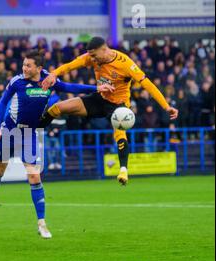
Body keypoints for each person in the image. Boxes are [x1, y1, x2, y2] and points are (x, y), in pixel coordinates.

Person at [0, 51, 110, 239]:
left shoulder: (48, 80)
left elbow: (70, 87)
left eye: (28, 65)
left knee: (34, 177)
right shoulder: (17, 81)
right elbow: (2, 102)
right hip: (10, 131)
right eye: (24, 64)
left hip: (29, 134)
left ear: (39, 68)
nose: (24, 68)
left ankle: (41, 223)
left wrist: (95, 89)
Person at [40, 37, 179, 185]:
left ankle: (123, 171)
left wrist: (166, 106)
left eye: (94, 55)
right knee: (59, 108)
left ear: (104, 50)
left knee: (119, 133)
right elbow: (71, 65)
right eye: (90, 55)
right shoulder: (92, 57)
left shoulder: (126, 64)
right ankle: (37, 127)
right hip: (99, 99)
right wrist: (53, 74)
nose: (91, 58)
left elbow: (148, 85)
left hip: (118, 106)